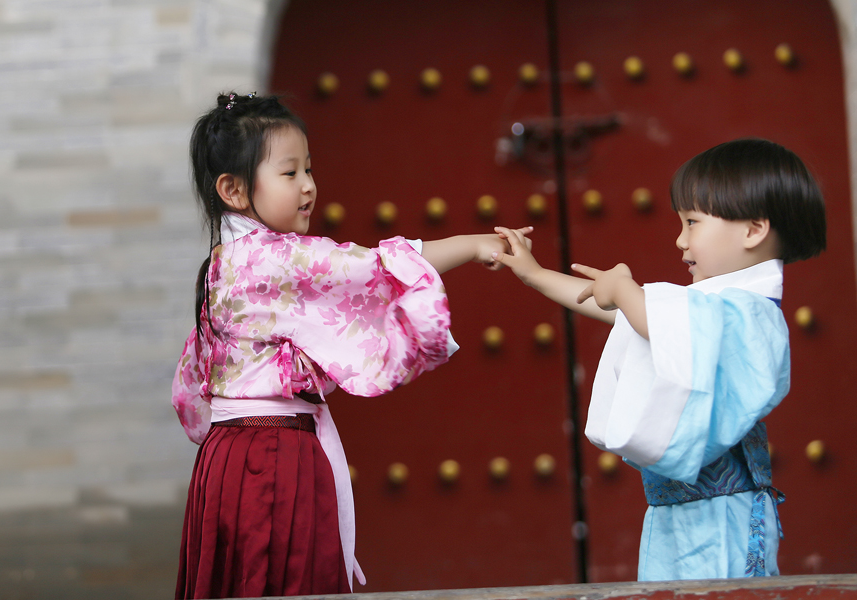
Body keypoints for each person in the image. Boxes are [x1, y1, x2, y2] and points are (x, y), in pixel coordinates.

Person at [171, 92, 530, 599]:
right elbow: (375, 269)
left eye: (309, 171)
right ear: (232, 189)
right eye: (290, 173)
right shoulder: (275, 260)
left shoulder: (222, 266)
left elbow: (191, 389)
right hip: (272, 458)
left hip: (227, 458)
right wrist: (473, 245)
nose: (309, 187)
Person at [493, 138, 826, 580]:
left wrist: (627, 293)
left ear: (752, 230)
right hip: (676, 513)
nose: (680, 239)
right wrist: (535, 275)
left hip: (722, 515)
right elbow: (619, 310)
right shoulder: (701, 308)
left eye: (692, 223)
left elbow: (659, 322)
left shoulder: (751, 312)